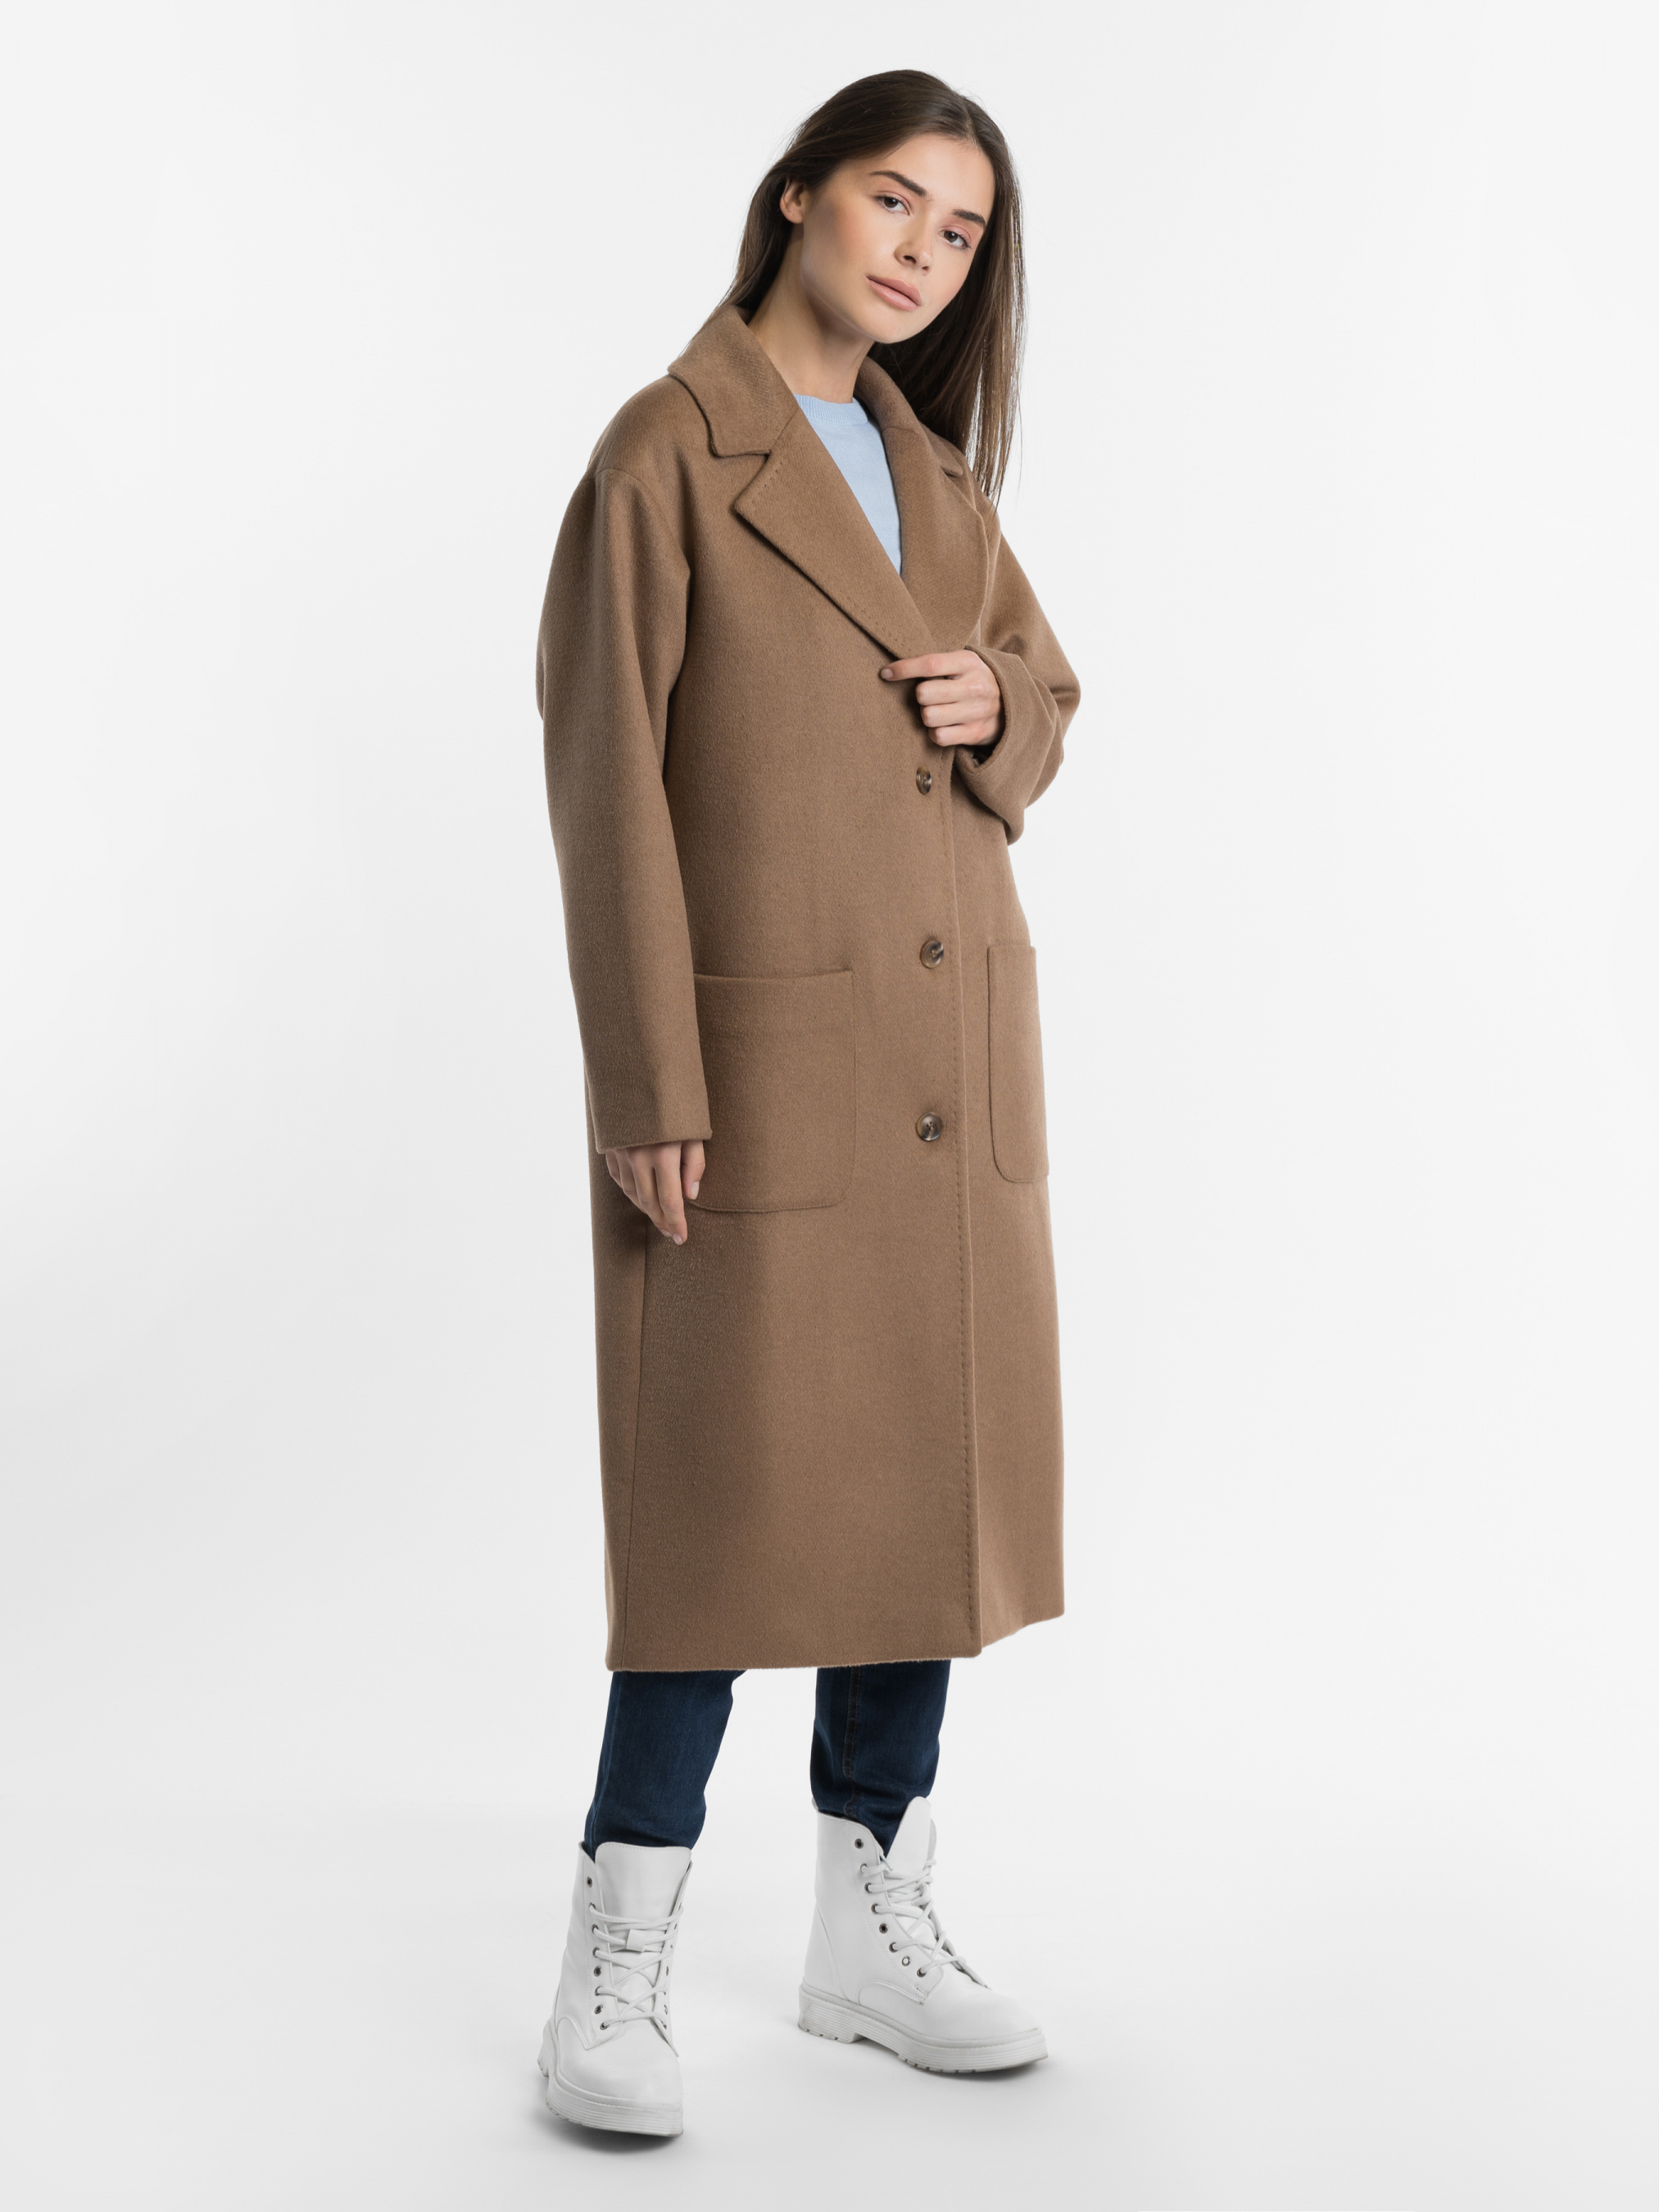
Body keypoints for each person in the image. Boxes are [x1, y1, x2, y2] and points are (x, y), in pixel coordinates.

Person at [532, 68, 1081, 2137]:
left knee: (910, 1494)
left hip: (943, 1059)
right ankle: (616, 1951)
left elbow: (1042, 689)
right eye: (892, 203)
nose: (922, 253)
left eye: (960, 232)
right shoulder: (666, 453)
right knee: (718, 1508)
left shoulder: (930, 471)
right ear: (793, 197)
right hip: (751, 1075)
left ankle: (872, 1923)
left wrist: (995, 703)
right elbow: (603, 775)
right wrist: (645, 1075)